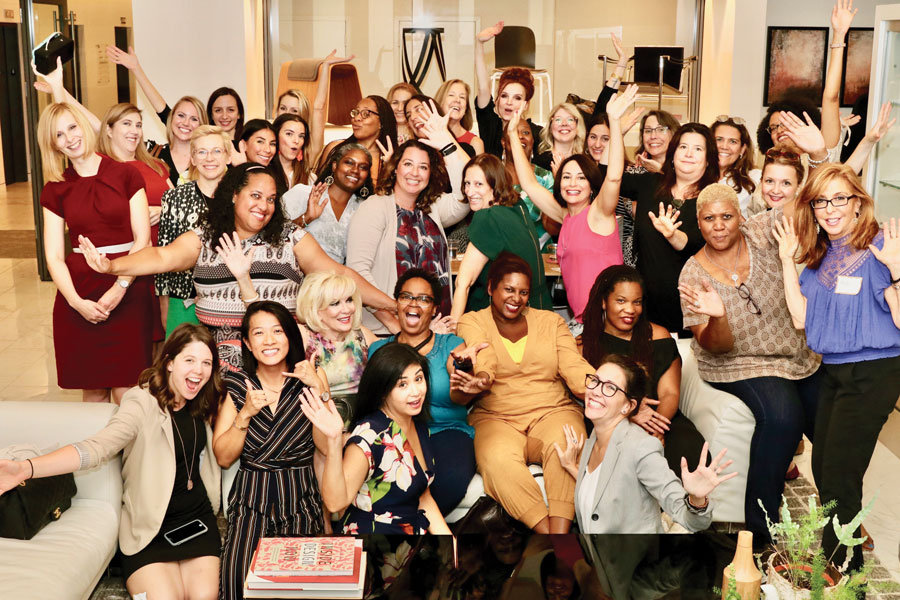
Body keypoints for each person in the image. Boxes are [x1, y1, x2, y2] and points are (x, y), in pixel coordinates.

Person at [78, 163, 396, 371]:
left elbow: (339, 274)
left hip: (279, 357)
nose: (264, 206)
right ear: (233, 195)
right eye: (255, 196)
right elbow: (161, 257)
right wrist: (111, 266)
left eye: (271, 199)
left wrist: (393, 305)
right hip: (214, 363)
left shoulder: (290, 236)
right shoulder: (205, 236)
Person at [0, 323, 224, 599]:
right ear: (169, 363)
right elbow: (97, 448)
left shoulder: (204, 401)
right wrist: (27, 468)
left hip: (197, 522)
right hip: (150, 528)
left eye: (206, 363)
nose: (198, 371)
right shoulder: (141, 402)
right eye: (189, 360)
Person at [774, 163, 900, 573]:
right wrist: (785, 262)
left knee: (842, 479)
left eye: (839, 198)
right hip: (833, 372)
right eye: (821, 201)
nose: (830, 209)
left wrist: (897, 270)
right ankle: (838, 559)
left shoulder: (882, 246)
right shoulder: (822, 256)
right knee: (824, 469)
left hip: (874, 372)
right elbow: (800, 319)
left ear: (858, 202)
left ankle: (845, 579)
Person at [678, 183, 821, 543]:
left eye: (727, 216)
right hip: (736, 363)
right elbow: (717, 345)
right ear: (699, 223)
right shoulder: (692, 274)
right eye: (709, 218)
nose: (719, 225)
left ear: (741, 216)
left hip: (796, 354)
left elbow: (802, 202)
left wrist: (821, 157)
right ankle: (761, 533)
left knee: (832, 421)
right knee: (783, 416)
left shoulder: (759, 231)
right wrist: (719, 316)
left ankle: (846, 516)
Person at [456, 253, 595, 533]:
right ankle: (549, 537)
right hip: (496, 417)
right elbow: (485, 357)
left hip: (552, 410)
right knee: (496, 460)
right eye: (508, 289)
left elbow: (574, 367)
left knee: (566, 444)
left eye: (523, 292)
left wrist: (608, 392)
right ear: (492, 287)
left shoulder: (550, 322)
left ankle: (560, 532)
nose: (516, 298)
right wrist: (481, 378)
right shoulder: (472, 321)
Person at [38, 102, 154, 403]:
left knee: (127, 390)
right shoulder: (55, 188)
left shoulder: (126, 175)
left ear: (85, 126)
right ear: (54, 144)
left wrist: (120, 287)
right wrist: (76, 303)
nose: (69, 138)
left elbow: (143, 240)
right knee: (92, 391)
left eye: (72, 128)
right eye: (59, 135)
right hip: (80, 290)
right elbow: (53, 256)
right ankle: (97, 452)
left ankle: (132, 452)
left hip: (129, 285)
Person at [212, 302, 328, 600]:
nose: (269, 340)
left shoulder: (311, 379)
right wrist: (245, 414)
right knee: (238, 582)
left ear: (290, 336)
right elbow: (223, 458)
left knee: (297, 588)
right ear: (248, 344)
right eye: (259, 333)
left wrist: (319, 391)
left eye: (277, 331)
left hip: (300, 498)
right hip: (252, 500)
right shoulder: (238, 386)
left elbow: (327, 446)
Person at [555, 354, 735, 533]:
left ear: (628, 406)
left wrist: (697, 499)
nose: (595, 391)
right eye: (595, 380)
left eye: (610, 387)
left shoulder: (641, 448)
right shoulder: (596, 434)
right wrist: (571, 466)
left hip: (635, 558)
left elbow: (691, 521)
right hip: (598, 556)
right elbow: (605, 490)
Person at [508, 86, 638, 322]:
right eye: (566, 177)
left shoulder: (599, 212)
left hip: (607, 321)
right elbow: (529, 183)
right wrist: (511, 134)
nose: (572, 183)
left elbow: (615, 176)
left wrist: (615, 123)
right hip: (581, 321)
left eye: (581, 178)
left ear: (591, 185)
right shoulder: (564, 216)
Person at [300, 342, 453, 534]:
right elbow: (334, 503)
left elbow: (424, 497)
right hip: (371, 540)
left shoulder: (419, 425)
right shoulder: (370, 436)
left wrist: (451, 547)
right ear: (382, 391)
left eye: (419, 379)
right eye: (402, 384)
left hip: (408, 540)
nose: (416, 391)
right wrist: (333, 440)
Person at [370, 269, 482, 514]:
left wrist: (464, 373)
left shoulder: (451, 345)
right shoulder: (379, 350)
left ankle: (407, 529)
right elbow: (372, 405)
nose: (414, 303)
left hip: (446, 432)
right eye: (406, 296)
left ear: (434, 309)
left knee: (448, 479)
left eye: (424, 299)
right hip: (395, 433)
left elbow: (459, 393)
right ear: (396, 303)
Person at [346, 117, 469, 334]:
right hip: (388, 332)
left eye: (423, 167)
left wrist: (447, 145)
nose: (415, 173)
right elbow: (358, 275)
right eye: (408, 164)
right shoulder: (375, 208)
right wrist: (397, 326)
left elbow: (465, 195)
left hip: (436, 330)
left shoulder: (432, 207)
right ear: (395, 168)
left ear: (430, 173)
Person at [580, 265, 706, 474]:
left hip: (660, 418)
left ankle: (688, 506)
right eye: (621, 301)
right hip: (609, 421)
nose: (630, 310)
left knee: (689, 448)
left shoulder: (658, 335)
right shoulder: (585, 345)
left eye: (636, 302)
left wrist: (653, 430)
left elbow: (669, 393)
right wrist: (630, 420)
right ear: (604, 302)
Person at [616, 123, 720, 334]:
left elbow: (693, 244)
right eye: (683, 147)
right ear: (672, 154)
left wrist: (673, 235)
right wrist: (618, 132)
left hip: (691, 309)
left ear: (708, 160)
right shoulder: (650, 184)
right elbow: (606, 176)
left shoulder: (714, 198)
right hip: (645, 306)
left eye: (698, 149)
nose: (689, 153)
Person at [451, 153, 551, 319]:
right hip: (541, 310)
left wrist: (451, 332)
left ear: (495, 185)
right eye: (467, 183)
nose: (469, 191)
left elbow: (463, 282)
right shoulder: (518, 206)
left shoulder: (487, 217)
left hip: (512, 318)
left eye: (478, 184)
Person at [156, 125, 231, 335]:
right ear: (193, 158)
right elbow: (163, 257)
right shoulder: (174, 198)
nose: (210, 158)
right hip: (182, 301)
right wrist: (165, 305)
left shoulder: (240, 198)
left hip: (228, 301)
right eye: (202, 152)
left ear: (227, 156)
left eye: (217, 151)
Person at [104, 45, 208, 186]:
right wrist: (136, 68)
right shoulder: (150, 153)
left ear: (202, 125)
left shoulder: (208, 159)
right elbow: (107, 129)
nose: (186, 123)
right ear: (171, 118)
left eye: (194, 119)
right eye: (181, 115)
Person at [295, 272, 377, 426]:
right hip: (317, 429)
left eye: (349, 300)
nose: (347, 309)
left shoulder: (361, 334)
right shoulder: (305, 336)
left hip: (362, 428)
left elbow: (393, 358)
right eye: (335, 303)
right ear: (317, 311)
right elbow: (265, 327)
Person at [282, 143, 373, 264]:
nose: (355, 170)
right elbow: (273, 237)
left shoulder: (365, 209)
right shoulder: (303, 194)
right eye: (349, 163)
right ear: (335, 165)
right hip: (295, 278)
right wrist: (307, 217)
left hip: (339, 280)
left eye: (363, 167)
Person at [474, 21, 543, 158]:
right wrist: (479, 43)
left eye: (517, 97)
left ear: (526, 104)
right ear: (498, 99)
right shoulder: (491, 127)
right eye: (504, 96)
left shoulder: (536, 133)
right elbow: (483, 88)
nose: (509, 102)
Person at [317, 94, 398, 186]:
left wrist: (391, 166)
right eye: (355, 112)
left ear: (381, 122)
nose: (356, 118)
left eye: (365, 114)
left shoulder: (388, 158)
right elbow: (317, 187)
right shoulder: (335, 148)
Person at [711, 115, 760, 218]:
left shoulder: (756, 178)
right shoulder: (696, 176)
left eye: (733, 141)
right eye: (719, 139)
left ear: (742, 149)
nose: (724, 146)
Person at [747, 148, 805, 217]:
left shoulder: (808, 222)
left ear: (798, 186)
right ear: (761, 182)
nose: (776, 191)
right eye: (770, 181)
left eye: (786, 183)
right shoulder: (756, 220)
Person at [435, 78, 485, 155]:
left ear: (466, 108)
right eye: (451, 95)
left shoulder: (475, 143)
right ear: (440, 102)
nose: (457, 100)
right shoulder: (430, 136)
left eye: (462, 97)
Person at [534, 103, 586, 174]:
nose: (564, 123)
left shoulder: (585, 162)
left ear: (577, 127)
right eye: (558, 119)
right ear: (550, 127)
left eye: (570, 119)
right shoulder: (539, 163)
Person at [272, 113, 311, 191]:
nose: (296, 141)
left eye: (301, 136)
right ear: (275, 136)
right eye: (289, 134)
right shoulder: (263, 172)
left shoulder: (310, 178)